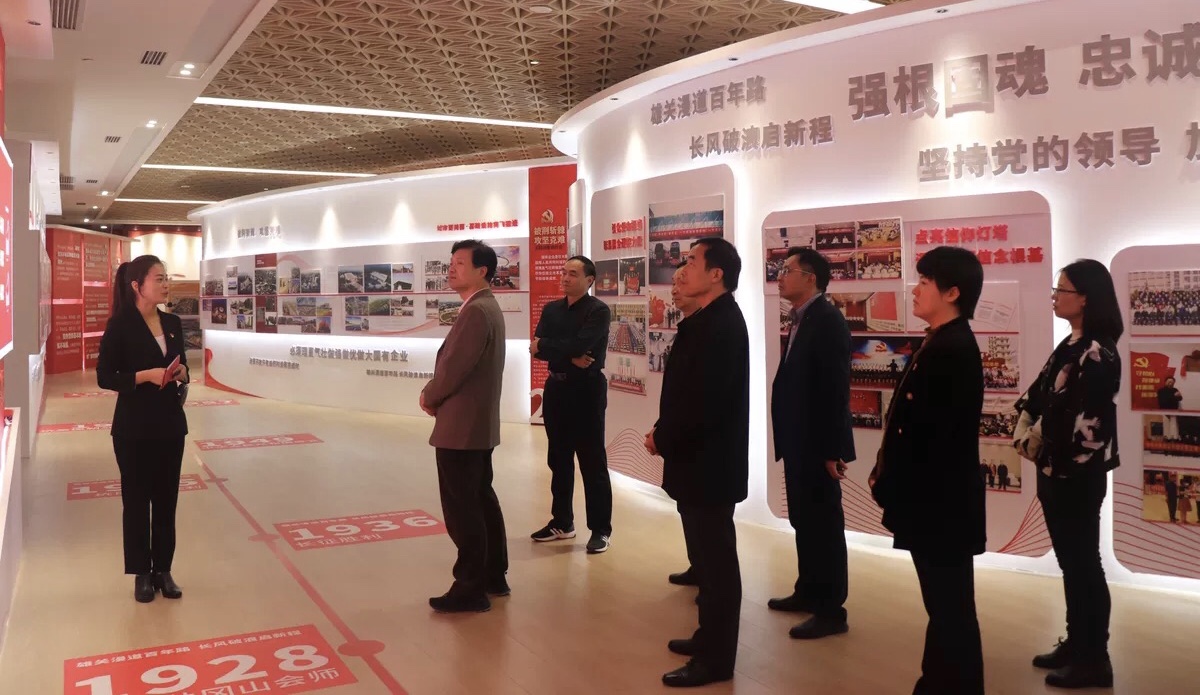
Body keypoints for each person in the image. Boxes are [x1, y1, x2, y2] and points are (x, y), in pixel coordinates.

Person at [869, 246, 986, 695]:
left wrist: (894, 483)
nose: (915, 291)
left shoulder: (952, 348)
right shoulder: (940, 341)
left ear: (952, 292)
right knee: (944, 605)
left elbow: (933, 438)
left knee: (950, 606)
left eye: (924, 283)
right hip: (935, 502)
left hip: (940, 504)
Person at [644, 238, 749, 688]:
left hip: (711, 465)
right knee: (707, 564)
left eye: (690, 262)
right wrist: (664, 431)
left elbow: (703, 404)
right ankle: (708, 638)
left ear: (716, 274)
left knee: (718, 565)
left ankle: (716, 659)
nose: (680, 271)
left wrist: (662, 437)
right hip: (698, 462)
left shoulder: (721, 325)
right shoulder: (704, 321)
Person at [1014, 259, 1122, 689]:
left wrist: (1043, 445)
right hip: (1054, 470)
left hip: (1076, 475)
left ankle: (1095, 657)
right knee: (1071, 563)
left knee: (1083, 565)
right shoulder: (1071, 344)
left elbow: (1089, 424)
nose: (1055, 297)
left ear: (1086, 298)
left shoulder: (1098, 352)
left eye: (1062, 290)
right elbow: (1040, 394)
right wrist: (1028, 429)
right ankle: (1077, 642)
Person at [766, 247, 855, 640]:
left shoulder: (828, 320)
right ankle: (808, 590)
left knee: (824, 526)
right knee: (804, 519)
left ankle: (831, 610)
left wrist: (834, 450)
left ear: (811, 278)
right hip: (799, 439)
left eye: (787, 270)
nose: (780, 276)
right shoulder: (801, 318)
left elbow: (835, 389)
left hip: (818, 444)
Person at [420, 240, 509, 613]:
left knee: (463, 509)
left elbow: (454, 368)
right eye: (451, 262)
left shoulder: (476, 312)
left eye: (459, 263)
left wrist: (429, 395)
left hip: (462, 427)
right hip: (475, 426)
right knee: (481, 499)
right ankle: (492, 576)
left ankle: (470, 587)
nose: (451, 269)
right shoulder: (484, 306)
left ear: (482, 271)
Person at [96, 255, 191, 603]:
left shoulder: (172, 322)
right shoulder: (120, 325)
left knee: (166, 502)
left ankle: (163, 570)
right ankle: (141, 573)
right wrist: (143, 376)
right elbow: (105, 376)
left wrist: (182, 373)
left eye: (166, 278)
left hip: (170, 425)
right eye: (159, 278)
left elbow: (184, 366)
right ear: (137, 285)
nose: (166, 284)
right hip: (133, 429)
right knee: (137, 503)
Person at [530, 255, 613, 553]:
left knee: (592, 461)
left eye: (573, 273)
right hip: (556, 388)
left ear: (589, 280)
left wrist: (554, 347)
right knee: (558, 458)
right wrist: (568, 354)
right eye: (564, 272)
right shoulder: (552, 309)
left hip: (586, 389)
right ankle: (562, 522)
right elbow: (536, 348)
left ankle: (601, 529)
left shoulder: (598, 310)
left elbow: (579, 346)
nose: (565, 278)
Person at [663, 264, 702, 590]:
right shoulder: (690, 326)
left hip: (701, 446)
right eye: (673, 283)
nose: (674, 289)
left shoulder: (712, 327)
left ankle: (711, 583)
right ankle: (699, 566)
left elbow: (697, 396)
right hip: (686, 443)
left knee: (707, 519)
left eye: (682, 281)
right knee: (688, 509)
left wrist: (664, 434)